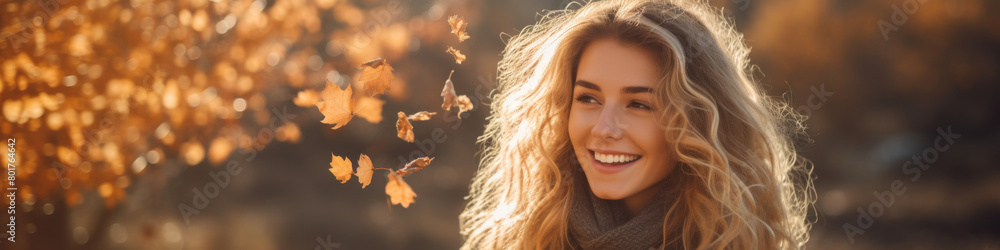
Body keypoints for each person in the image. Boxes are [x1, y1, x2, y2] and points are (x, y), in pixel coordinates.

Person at [459, 0, 815, 249]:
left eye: (639, 104)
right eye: (588, 98)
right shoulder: (524, 237)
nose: (604, 128)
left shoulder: (740, 242)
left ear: (699, 121)